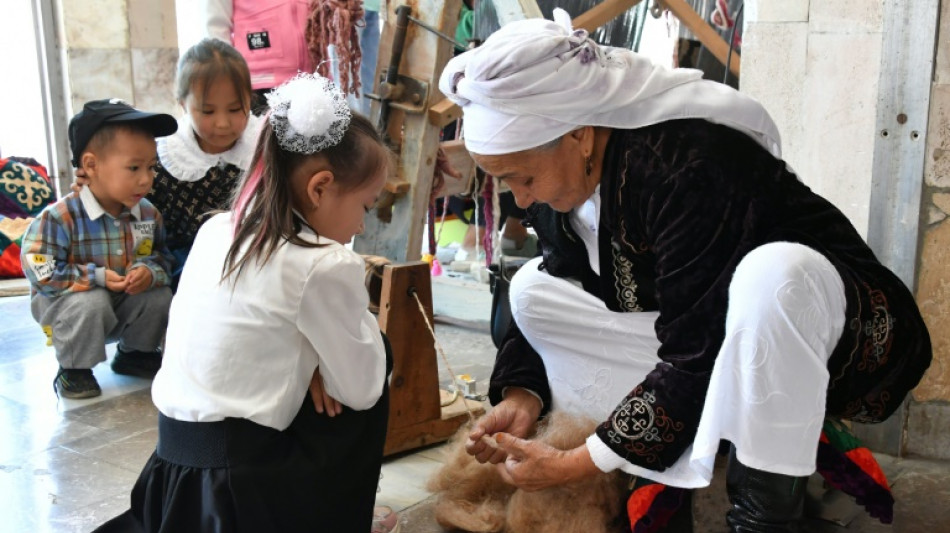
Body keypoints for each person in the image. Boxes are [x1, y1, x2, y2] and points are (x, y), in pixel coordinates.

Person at [437, 11, 933, 531]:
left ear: (579, 135)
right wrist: (524, 395)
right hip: (708, 332)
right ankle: (680, 447)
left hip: (842, 333)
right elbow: (568, 277)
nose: (521, 199)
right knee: (533, 289)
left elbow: (696, 351)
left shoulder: (688, 166)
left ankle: (764, 512)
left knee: (773, 274)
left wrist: (575, 462)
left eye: (523, 178)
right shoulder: (562, 179)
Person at [95, 74, 398, 532]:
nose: (359, 225)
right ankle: (338, 515)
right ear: (320, 188)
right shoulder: (326, 263)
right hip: (242, 492)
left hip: (173, 469)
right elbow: (361, 388)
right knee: (375, 365)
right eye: (365, 206)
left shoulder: (218, 229)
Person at [21, 99, 177, 399]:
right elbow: (41, 271)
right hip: (67, 308)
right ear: (91, 165)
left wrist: (149, 271)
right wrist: (97, 277)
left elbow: (161, 257)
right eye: (134, 167)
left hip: (120, 305)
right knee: (90, 301)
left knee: (158, 296)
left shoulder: (147, 215)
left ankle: (135, 353)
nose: (146, 179)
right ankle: (73, 370)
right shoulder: (60, 217)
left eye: (150, 167)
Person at [78, 38, 262, 290]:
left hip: (255, 252)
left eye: (234, 109)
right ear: (183, 104)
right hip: (186, 261)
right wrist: (95, 187)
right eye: (208, 111)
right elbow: (135, 209)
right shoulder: (164, 156)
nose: (223, 123)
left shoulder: (264, 144)